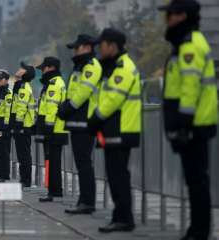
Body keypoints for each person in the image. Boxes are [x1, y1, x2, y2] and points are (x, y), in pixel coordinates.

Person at [158, 1, 217, 239]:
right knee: (194, 180)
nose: (167, 20)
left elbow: (190, 87)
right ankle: (197, 229)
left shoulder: (190, 44)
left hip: (194, 124)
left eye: (170, 15)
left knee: (197, 180)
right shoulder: (184, 43)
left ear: (182, 16)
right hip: (192, 122)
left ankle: (200, 231)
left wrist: (183, 121)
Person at [88, 28, 141, 233]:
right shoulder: (112, 67)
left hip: (122, 128)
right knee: (115, 175)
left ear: (112, 45)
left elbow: (113, 100)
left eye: (101, 45)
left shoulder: (123, 67)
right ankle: (120, 217)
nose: (99, 49)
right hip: (114, 129)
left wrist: (95, 118)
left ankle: (124, 219)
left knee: (119, 176)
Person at [57, 34, 102, 214]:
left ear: (87, 47)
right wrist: (67, 106)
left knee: (84, 163)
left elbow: (84, 92)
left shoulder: (91, 66)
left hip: (85, 120)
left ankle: (88, 202)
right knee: (81, 162)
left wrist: (67, 107)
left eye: (77, 48)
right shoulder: (80, 66)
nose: (75, 51)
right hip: (77, 120)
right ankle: (83, 200)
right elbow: (74, 91)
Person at [35, 57, 68, 202]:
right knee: (52, 160)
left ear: (51, 68)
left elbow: (52, 107)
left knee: (53, 161)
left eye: (43, 68)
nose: (42, 71)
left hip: (54, 128)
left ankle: (53, 191)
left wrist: (47, 127)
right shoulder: (51, 83)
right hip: (54, 128)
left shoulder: (54, 84)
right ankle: (54, 190)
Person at [11, 62, 36, 188]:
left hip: (23, 126)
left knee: (24, 154)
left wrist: (18, 124)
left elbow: (21, 107)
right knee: (21, 154)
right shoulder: (19, 85)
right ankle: (23, 179)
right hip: (20, 125)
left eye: (22, 69)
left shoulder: (24, 87)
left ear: (26, 73)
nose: (19, 69)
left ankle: (26, 180)